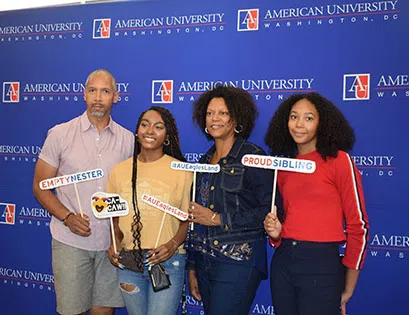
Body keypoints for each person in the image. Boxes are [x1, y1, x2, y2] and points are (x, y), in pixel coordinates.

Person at [33, 69, 134, 315]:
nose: (98, 97)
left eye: (105, 91)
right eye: (92, 91)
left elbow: (128, 194)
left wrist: (118, 238)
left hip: (110, 246)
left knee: (104, 312)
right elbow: (40, 186)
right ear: (84, 95)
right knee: (71, 311)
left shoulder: (128, 140)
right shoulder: (60, 134)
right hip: (70, 242)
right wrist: (67, 218)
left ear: (116, 97)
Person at [263, 92, 370, 315]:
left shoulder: (340, 162)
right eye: (294, 117)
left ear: (323, 123)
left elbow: (358, 227)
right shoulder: (283, 165)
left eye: (308, 118)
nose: (299, 124)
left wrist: (348, 287)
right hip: (283, 263)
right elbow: (281, 229)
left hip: (322, 265)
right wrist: (275, 234)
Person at [186, 85, 280, 315]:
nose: (214, 119)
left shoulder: (253, 157)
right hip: (204, 261)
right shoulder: (204, 159)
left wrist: (219, 219)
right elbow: (196, 219)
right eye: (209, 113)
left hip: (238, 261)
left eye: (222, 113)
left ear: (236, 118)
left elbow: (269, 212)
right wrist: (192, 266)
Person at [106, 106, 192, 315]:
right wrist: (114, 244)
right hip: (128, 263)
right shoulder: (119, 171)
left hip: (167, 262)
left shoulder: (182, 171)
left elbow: (187, 221)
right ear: (137, 131)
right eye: (144, 124)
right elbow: (114, 221)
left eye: (158, 127)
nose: (150, 131)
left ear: (167, 135)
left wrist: (171, 246)